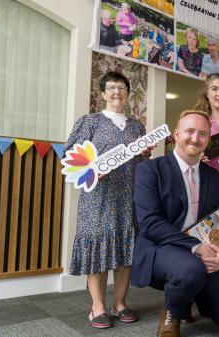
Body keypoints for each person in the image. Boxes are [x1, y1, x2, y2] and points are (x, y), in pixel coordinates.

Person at [132, 110, 219, 337]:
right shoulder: (149, 170)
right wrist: (196, 247)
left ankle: (193, 296)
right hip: (163, 248)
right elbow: (149, 223)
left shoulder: (214, 177)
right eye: (189, 131)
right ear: (177, 134)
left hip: (206, 252)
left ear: (208, 140)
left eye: (202, 134)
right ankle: (173, 309)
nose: (195, 139)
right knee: (191, 269)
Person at [65, 71, 148, 329]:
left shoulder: (137, 126)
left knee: (126, 251)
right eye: (111, 87)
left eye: (121, 87)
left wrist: (145, 154)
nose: (116, 92)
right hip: (98, 198)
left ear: (128, 93)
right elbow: (70, 156)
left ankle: (119, 303)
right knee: (98, 248)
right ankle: (97, 307)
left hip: (128, 197)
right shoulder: (89, 122)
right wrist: (92, 169)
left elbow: (141, 163)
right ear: (102, 94)